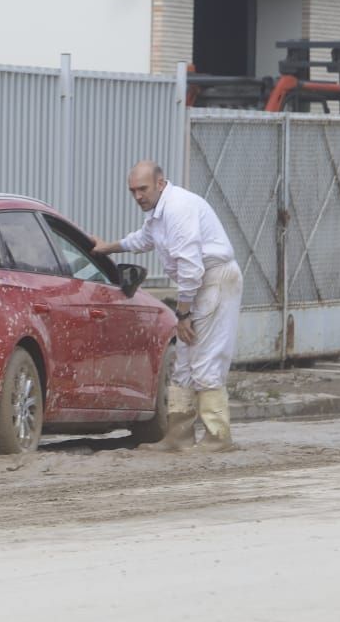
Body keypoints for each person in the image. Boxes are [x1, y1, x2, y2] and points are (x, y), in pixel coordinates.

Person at [92, 160, 243, 451]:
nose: (137, 196)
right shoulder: (158, 214)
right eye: (132, 190)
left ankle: (217, 436)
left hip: (214, 281)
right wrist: (107, 247)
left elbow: (190, 269)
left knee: (206, 357)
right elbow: (143, 239)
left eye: (143, 189)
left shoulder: (177, 209)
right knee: (184, 360)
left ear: (161, 183)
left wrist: (183, 313)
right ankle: (180, 435)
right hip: (201, 284)